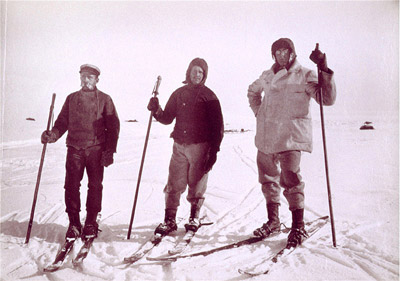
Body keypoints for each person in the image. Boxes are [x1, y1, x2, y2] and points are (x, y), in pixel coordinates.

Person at [247, 38, 336, 248]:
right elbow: (252, 91)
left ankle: (298, 226)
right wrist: (259, 112)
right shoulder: (267, 75)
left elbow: (327, 98)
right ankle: (273, 221)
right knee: (268, 179)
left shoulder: (305, 74)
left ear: (292, 53)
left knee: (291, 180)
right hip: (267, 136)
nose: (281, 55)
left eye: (285, 51)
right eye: (276, 52)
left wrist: (322, 67)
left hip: (291, 137)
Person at [41, 64, 120, 241]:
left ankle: (91, 221)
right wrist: (52, 135)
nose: (86, 80)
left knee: (95, 186)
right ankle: (74, 223)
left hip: (96, 150)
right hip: (74, 149)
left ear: (97, 79)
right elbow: (61, 123)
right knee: (71, 186)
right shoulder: (71, 99)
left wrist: (110, 150)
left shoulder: (105, 99)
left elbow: (113, 127)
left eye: (89, 77)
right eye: (83, 76)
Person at [147, 58, 224, 235]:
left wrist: (213, 152)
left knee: (196, 184)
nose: (197, 75)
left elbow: (218, 127)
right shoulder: (179, 93)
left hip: (200, 147)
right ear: (188, 72)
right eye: (194, 71)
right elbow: (167, 118)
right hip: (179, 146)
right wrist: (156, 110)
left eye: (201, 72)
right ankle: (169, 220)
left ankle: (194, 217)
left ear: (204, 75)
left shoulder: (209, 96)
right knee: (174, 182)